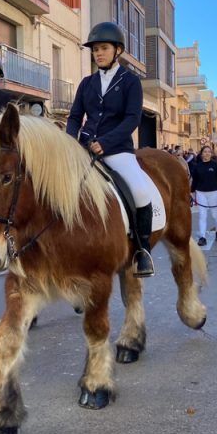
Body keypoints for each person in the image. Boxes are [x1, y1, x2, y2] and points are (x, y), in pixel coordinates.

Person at [66, 21, 154, 277]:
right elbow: (74, 117)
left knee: (139, 191)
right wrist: (70, 142)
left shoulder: (130, 81)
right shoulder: (86, 83)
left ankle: (142, 250)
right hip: (85, 150)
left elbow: (132, 119)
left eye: (103, 48)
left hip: (118, 150)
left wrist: (106, 142)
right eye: (95, 50)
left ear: (118, 50)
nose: (98, 54)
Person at [191, 145, 217, 247]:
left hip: (214, 192)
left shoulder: (216, 166)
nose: (207, 153)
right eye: (205, 152)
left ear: (211, 153)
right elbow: (195, 181)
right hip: (200, 193)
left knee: (214, 215)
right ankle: (202, 237)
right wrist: (191, 191)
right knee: (202, 215)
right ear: (201, 153)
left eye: (209, 152)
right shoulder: (198, 167)